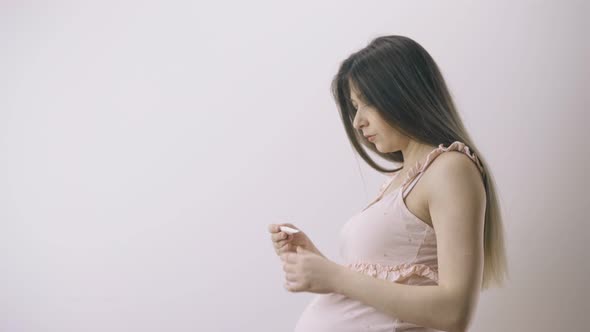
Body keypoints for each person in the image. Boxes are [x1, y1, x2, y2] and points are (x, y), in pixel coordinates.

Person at [268, 35, 508, 332]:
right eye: (354, 107)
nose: (357, 122)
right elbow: (381, 287)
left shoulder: (451, 169)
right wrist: (315, 263)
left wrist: (333, 276)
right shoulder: (403, 179)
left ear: (405, 93)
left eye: (366, 103)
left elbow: (454, 312)